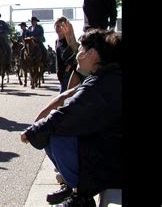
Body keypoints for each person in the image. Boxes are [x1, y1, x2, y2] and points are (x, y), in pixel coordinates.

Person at [20, 29, 122, 206]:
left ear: (91, 53)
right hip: (114, 148)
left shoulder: (99, 83)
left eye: (80, 51)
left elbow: (69, 114)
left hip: (114, 162)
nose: (77, 56)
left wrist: (35, 130)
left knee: (55, 134)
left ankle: (81, 196)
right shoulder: (107, 75)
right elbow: (67, 99)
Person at [54, 17, 77, 93]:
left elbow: (74, 54)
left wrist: (67, 69)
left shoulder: (68, 40)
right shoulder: (57, 41)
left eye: (60, 26)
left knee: (64, 97)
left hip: (68, 73)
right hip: (60, 72)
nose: (58, 28)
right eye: (56, 26)